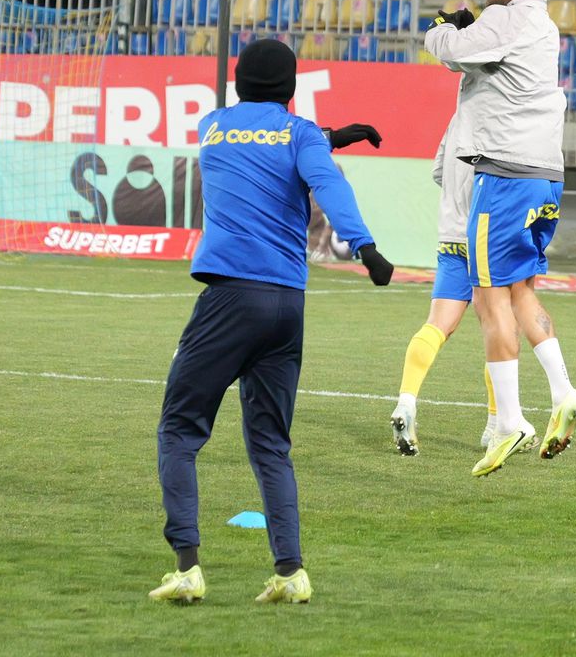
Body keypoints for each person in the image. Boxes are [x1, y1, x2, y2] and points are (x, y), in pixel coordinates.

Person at [149, 39, 394, 604]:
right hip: (287, 305)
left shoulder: (211, 127)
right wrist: (365, 248)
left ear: (238, 84)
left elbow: (257, 140)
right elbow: (327, 182)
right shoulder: (301, 134)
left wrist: (327, 136)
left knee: (179, 431)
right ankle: (290, 572)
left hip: (231, 299)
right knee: (270, 445)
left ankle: (186, 567)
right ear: (291, 88)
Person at [424, 0, 576, 478]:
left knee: (487, 296)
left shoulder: (510, 16)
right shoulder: (543, 26)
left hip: (506, 176)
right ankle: (563, 390)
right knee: (521, 292)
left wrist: (440, 28)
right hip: (545, 176)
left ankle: (511, 420)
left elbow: (452, 50)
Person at [389, 16, 565, 457]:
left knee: (437, 325)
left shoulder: (456, 120)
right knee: (501, 318)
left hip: (450, 235)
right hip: (487, 227)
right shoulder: (499, 121)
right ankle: (496, 422)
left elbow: (437, 171)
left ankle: (406, 400)